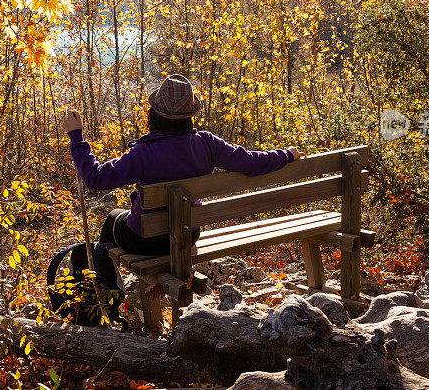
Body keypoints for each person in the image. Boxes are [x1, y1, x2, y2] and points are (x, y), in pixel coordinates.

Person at [63, 74, 304, 284]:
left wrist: (76, 136)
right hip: (188, 234)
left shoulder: (144, 153)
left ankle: (105, 295)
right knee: (122, 218)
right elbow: (251, 162)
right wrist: (287, 155)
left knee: (112, 219)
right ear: (190, 114)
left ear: (154, 113)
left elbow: (95, 179)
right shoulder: (207, 144)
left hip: (145, 241)